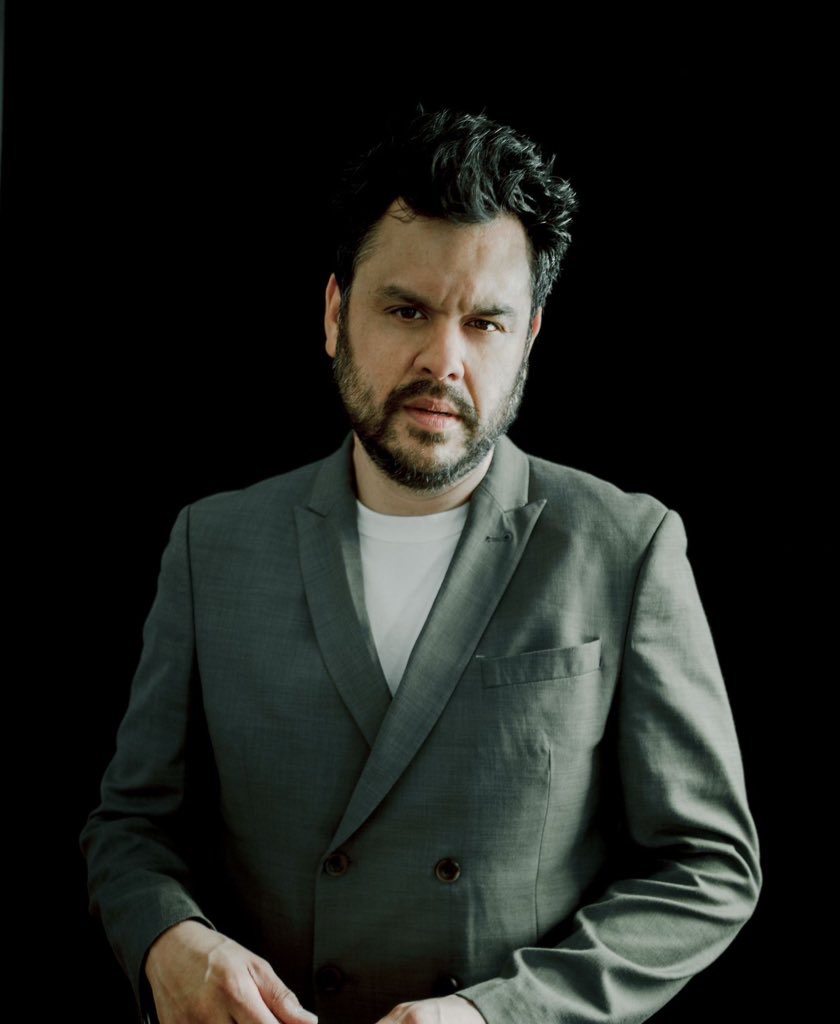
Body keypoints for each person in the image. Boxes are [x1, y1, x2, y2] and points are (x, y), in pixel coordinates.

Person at [81, 108, 761, 1024]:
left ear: (529, 338)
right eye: (406, 310)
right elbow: (131, 828)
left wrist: (499, 1015)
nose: (443, 360)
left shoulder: (626, 548)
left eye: (484, 323)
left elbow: (709, 868)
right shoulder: (213, 545)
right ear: (335, 314)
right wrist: (167, 939)